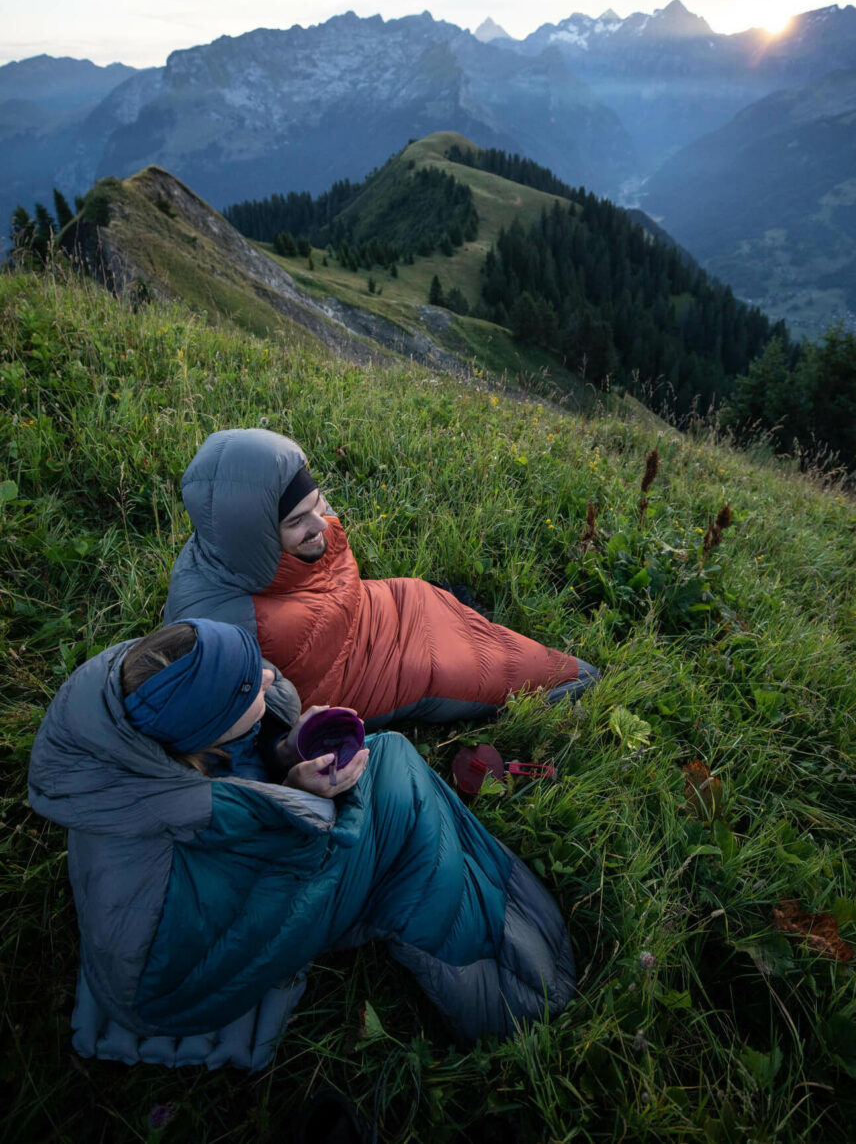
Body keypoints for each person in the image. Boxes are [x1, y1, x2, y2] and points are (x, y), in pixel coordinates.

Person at [28, 619, 576, 1072]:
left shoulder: (146, 710)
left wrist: (285, 749)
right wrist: (301, 798)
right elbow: (271, 866)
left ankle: (471, 909)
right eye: (251, 688)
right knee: (391, 784)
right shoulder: (178, 818)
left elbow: (235, 779)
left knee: (389, 773)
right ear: (210, 729)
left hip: (209, 885)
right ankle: (512, 1001)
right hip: (173, 979)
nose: (269, 676)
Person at [164, 427, 599, 725]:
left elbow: (335, 588)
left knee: (430, 599)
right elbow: (233, 725)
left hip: (387, 608)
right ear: (253, 533)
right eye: (299, 520)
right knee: (571, 676)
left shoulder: (283, 530)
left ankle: (462, 616)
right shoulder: (216, 620)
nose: (321, 523)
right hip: (383, 675)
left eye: (318, 504)